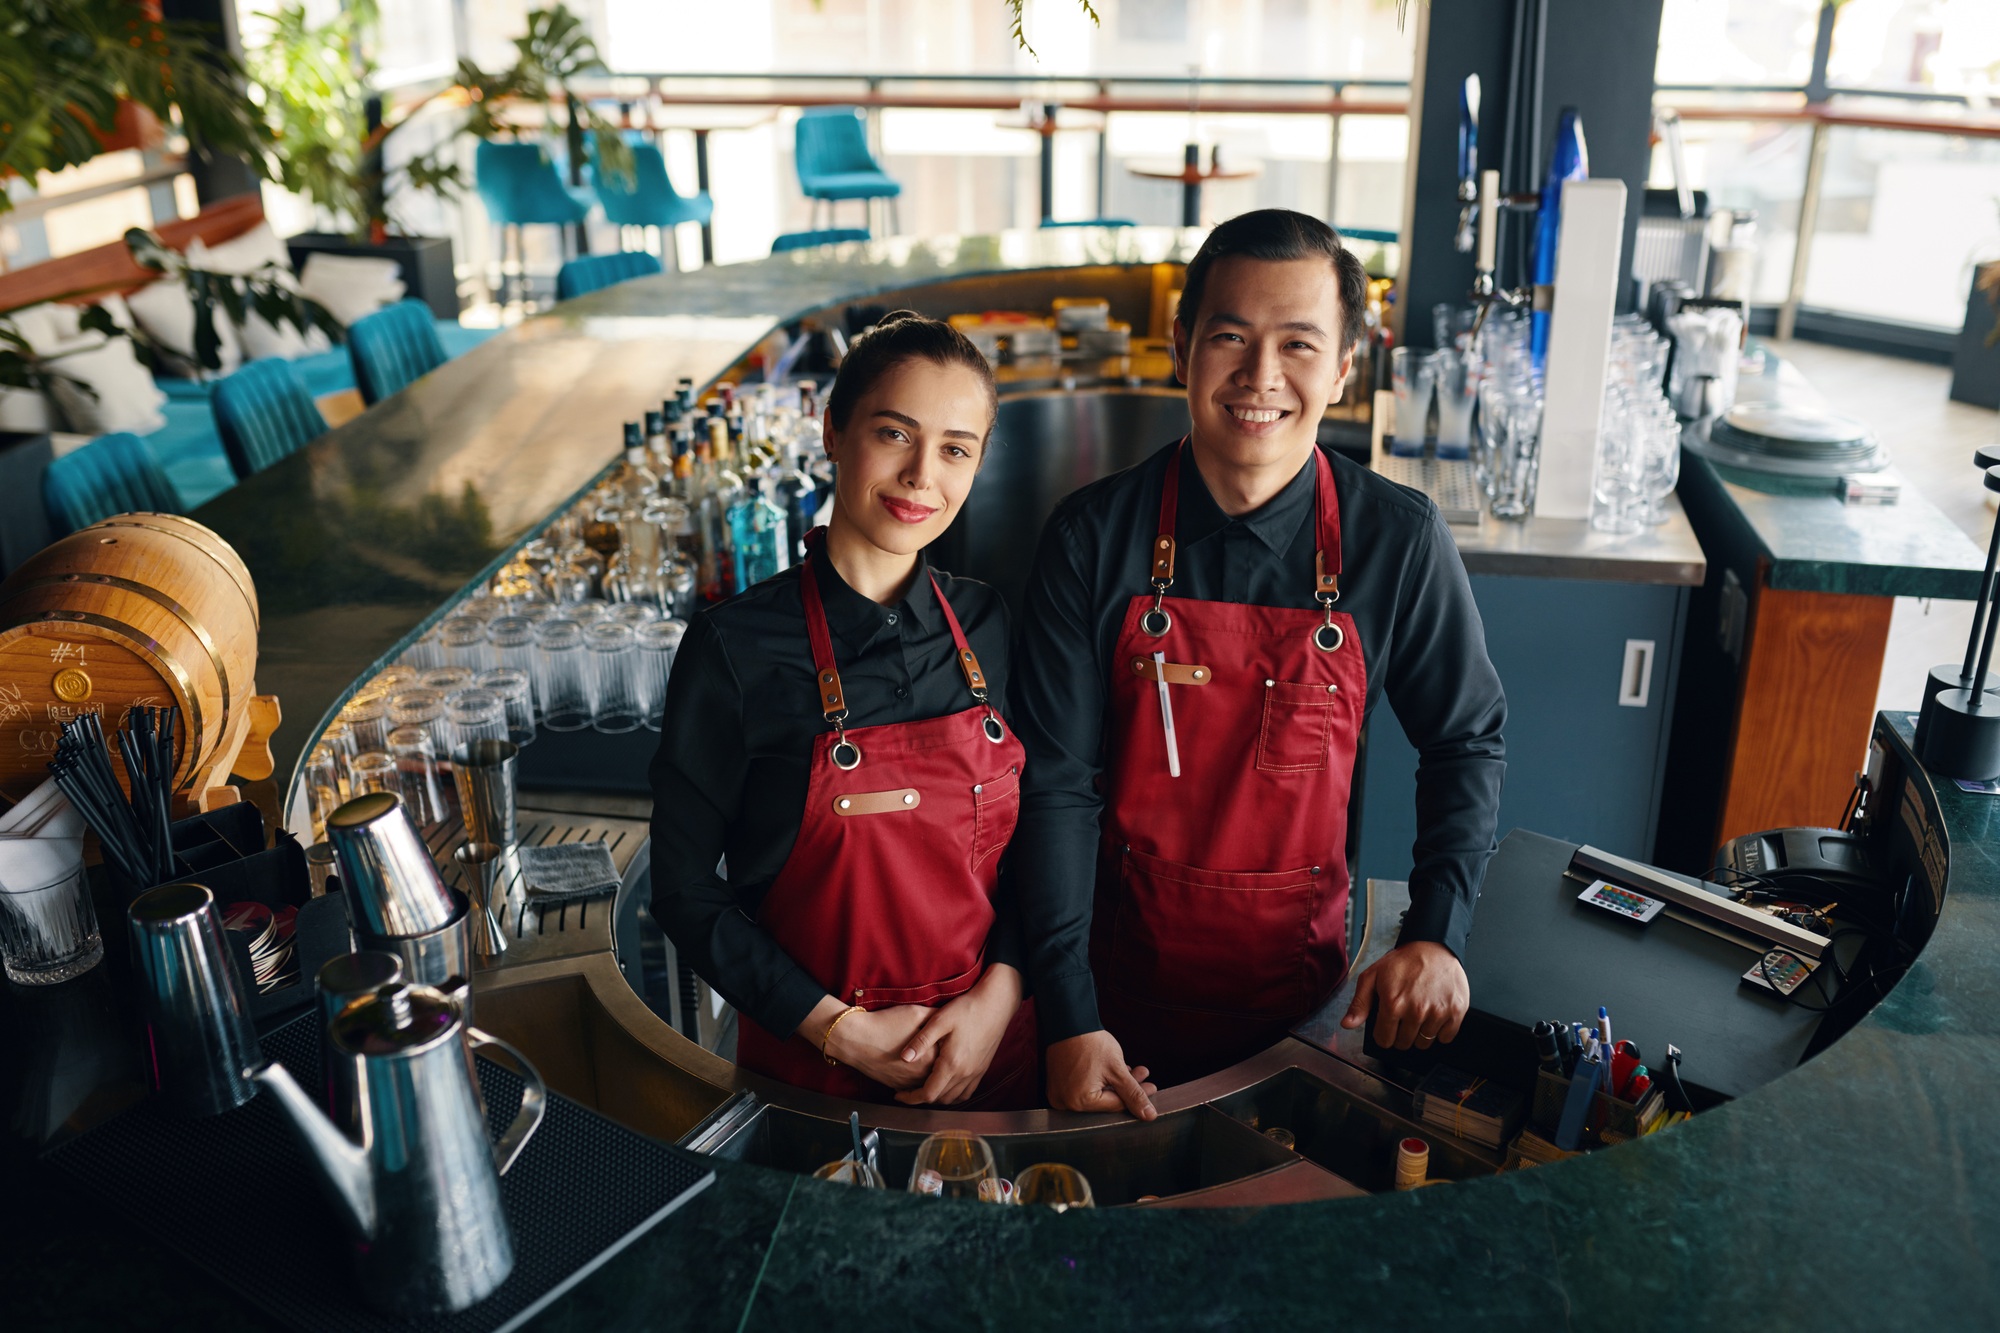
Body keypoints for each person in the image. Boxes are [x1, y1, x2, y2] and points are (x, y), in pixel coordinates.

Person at [1010, 210, 1507, 1117]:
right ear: (1181, 346)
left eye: (1299, 345)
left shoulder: (1396, 540)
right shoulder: (1089, 538)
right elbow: (1054, 788)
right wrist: (1066, 1015)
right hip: (1111, 1013)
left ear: (1346, 368)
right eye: (1230, 337)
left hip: (1306, 1006)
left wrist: (1438, 932)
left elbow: (1467, 737)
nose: (1261, 377)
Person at [649, 312, 1036, 1108]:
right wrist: (839, 1029)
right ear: (832, 431)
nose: (922, 475)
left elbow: (1045, 839)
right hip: (812, 1077)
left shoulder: (990, 625)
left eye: (956, 449)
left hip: (990, 1058)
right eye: (895, 434)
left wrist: (999, 995)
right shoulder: (733, 647)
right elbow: (684, 887)